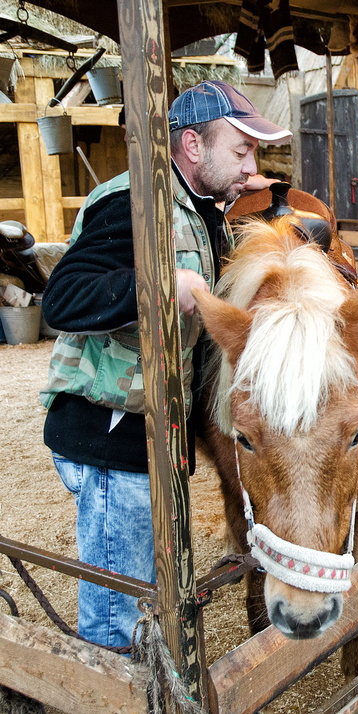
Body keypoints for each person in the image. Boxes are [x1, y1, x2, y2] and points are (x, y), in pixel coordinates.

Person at [39, 80, 292, 649]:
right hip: (113, 435)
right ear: (193, 145)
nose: (251, 165)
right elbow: (63, 298)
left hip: (157, 437)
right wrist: (156, 285)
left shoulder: (204, 213)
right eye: (241, 149)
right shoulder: (133, 202)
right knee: (117, 619)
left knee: (155, 600)